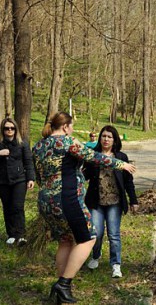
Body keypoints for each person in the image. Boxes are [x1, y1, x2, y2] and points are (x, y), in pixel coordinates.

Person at [32, 112, 136, 303]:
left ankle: (62, 290)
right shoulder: (68, 141)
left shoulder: (38, 145)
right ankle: (63, 283)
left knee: (65, 240)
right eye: (71, 126)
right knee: (89, 237)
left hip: (45, 201)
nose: (71, 129)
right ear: (65, 127)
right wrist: (120, 164)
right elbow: (94, 156)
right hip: (67, 198)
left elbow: (38, 176)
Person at [84, 125, 139, 278]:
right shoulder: (93, 156)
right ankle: (96, 255)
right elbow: (85, 175)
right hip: (96, 201)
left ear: (114, 140)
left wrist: (133, 201)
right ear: (99, 138)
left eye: (109, 137)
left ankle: (116, 264)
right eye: (103, 136)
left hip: (115, 201)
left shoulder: (121, 158)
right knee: (97, 233)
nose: (106, 139)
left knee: (114, 234)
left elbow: (128, 182)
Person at [0, 118, 35, 246]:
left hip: (19, 180)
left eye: (12, 128)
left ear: (16, 129)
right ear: (3, 130)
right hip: (3, 181)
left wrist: (31, 178)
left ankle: (20, 235)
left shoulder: (23, 144)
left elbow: (29, 162)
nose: (9, 130)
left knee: (17, 207)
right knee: (7, 207)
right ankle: (11, 234)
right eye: (6, 128)